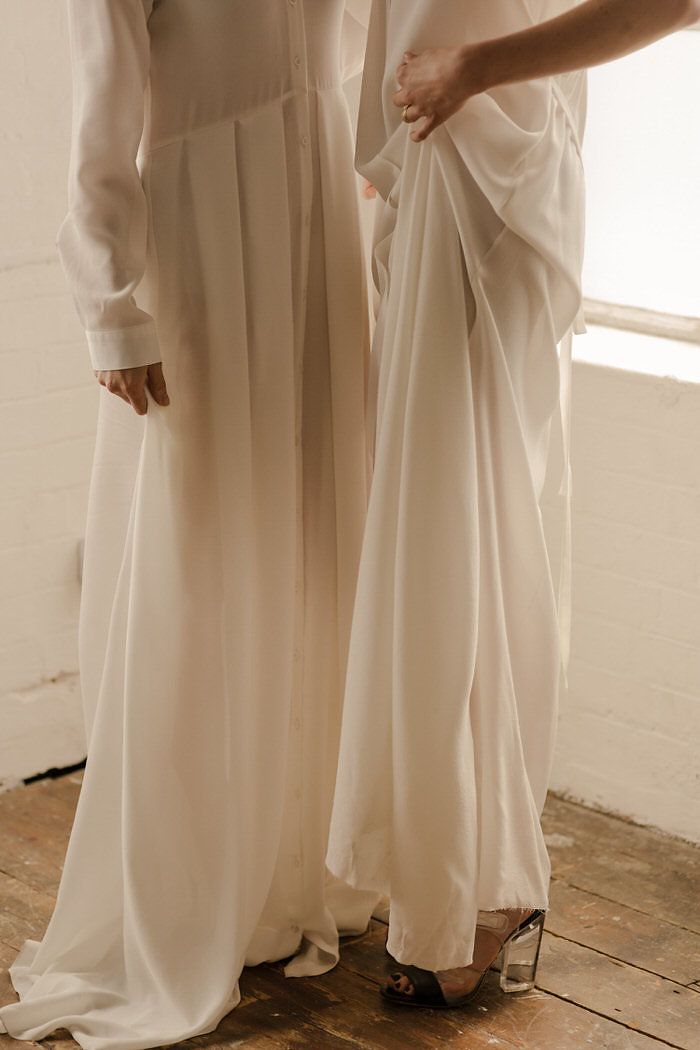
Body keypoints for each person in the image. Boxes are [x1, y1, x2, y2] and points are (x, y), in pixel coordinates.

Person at [0, 2, 377, 1047]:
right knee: (199, 553)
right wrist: (111, 305)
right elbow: (102, 120)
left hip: (319, 224)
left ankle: (293, 867)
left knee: (313, 539)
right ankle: (194, 887)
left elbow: (351, 41)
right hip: (207, 234)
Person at [327, 0, 700, 1010]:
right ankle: (458, 877)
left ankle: (482, 890)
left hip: (494, 186)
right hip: (434, 174)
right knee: (436, 542)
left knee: (472, 542)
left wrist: (474, 68)